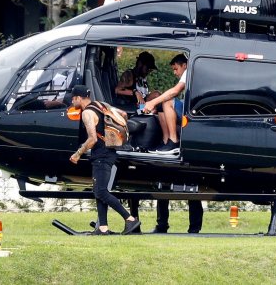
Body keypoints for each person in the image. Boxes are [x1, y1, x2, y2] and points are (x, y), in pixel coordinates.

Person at [68, 85, 140, 235]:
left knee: (101, 191)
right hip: (109, 152)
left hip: (101, 154)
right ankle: (103, 228)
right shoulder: (100, 105)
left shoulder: (87, 112)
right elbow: (123, 114)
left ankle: (130, 219)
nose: (71, 101)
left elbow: (92, 139)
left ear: (78, 98)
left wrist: (78, 153)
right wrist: (112, 136)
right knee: (99, 190)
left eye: (73, 98)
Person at [143, 53, 188, 154]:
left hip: (191, 113)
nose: (174, 73)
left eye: (176, 69)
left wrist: (152, 102)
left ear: (184, 65)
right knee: (161, 104)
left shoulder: (188, 71)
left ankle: (173, 141)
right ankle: (166, 141)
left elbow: (175, 91)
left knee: (167, 101)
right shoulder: (189, 72)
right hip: (188, 108)